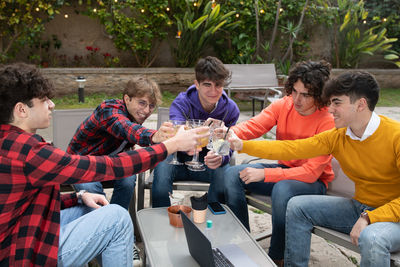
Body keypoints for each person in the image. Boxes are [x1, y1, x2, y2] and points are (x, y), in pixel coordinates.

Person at [0, 63, 208, 266]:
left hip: (28, 225)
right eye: (45, 100)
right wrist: (170, 145)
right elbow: (117, 149)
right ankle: (114, 244)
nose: (52, 105)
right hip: (24, 251)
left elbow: (28, 201)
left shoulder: (13, 142)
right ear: (21, 110)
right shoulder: (30, 152)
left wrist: (77, 197)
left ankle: (111, 247)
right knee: (117, 217)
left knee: (99, 202)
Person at [229, 71, 400, 267]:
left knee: (373, 238)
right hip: (361, 208)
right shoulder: (338, 136)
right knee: (297, 207)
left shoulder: (395, 136)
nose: (330, 109)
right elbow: (292, 148)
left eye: (337, 103)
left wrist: (370, 217)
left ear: (360, 104)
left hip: (394, 216)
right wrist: (243, 145)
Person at [223, 60, 335, 264]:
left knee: (282, 190)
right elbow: (255, 125)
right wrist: (231, 133)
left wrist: (266, 174)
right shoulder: (285, 104)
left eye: (305, 94)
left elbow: (310, 172)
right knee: (232, 174)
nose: (297, 99)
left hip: (312, 183)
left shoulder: (328, 120)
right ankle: (244, 245)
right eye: (294, 91)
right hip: (284, 171)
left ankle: (277, 257)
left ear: (319, 96)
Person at [152, 56, 240, 207]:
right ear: (197, 84)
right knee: (161, 167)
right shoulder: (182, 103)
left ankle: (214, 218)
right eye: (207, 85)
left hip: (207, 164)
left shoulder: (231, 110)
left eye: (218, 85)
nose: (213, 91)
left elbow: (227, 148)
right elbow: (176, 132)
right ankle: (162, 220)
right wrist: (188, 143)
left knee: (223, 172)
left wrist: (221, 157)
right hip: (178, 160)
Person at [69, 77, 166, 210]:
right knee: (91, 190)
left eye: (151, 106)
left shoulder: (135, 115)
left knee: (128, 177)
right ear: (127, 99)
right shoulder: (109, 109)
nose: (146, 111)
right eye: (142, 103)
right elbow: (126, 128)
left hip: (107, 165)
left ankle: (117, 214)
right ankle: (104, 220)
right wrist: (154, 135)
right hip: (82, 165)